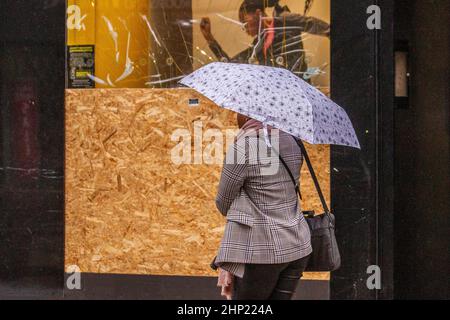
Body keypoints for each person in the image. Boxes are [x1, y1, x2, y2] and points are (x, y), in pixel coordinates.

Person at [213, 114, 312, 300]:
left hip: (260, 252)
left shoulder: (243, 147)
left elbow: (223, 201)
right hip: (297, 245)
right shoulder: (293, 140)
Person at [200, 0, 330, 78]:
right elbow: (233, 65)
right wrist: (210, 39)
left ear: (258, 13)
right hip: (279, 97)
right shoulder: (259, 43)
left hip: (298, 93)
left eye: (245, 22)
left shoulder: (284, 20)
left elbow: (318, 26)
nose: (245, 29)